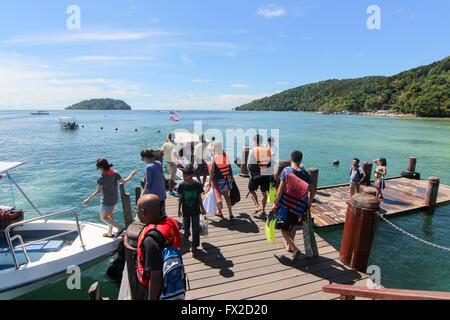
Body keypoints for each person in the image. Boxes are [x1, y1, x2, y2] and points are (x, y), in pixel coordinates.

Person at [135, 194, 182, 300]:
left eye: (136, 210)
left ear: (143, 212)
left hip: (159, 289)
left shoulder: (150, 240)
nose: (137, 213)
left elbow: (156, 277)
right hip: (174, 278)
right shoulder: (171, 223)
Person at [272, 151, 312, 261]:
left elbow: (280, 189)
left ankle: (295, 249)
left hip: (286, 205)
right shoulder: (305, 174)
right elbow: (312, 190)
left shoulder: (286, 171)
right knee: (292, 225)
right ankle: (289, 246)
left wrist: (275, 203)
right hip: (298, 207)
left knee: (282, 228)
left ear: (290, 159)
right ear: (300, 160)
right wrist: (309, 202)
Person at [82, 158, 137, 238]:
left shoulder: (101, 177)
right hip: (114, 199)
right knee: (110, 216)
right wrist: (131, 175)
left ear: (101, 167)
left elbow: (98, 191)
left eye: (98, 168)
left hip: (106, 201)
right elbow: (124, 181)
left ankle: (119, 227)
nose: (98, 170)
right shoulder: (115, 173)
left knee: (103, 217)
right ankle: (109, 232)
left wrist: (88, 200)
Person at [177, 165, 206, 257]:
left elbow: (199, 198)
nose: (184, 178)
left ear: (190, 176)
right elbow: (180, 198)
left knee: (196, 228)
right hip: (185, 210)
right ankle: (186, 233)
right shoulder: (182, 185)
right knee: (186, 224)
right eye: (183, 176)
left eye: (185, 176)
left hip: (195, 210)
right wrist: (178, 209)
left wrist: (202, 208)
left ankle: (194, 246)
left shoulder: (197, 185)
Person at [208, 140, 234, 220]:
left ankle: (220, 212)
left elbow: (212, 172)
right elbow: (229, 168)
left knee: (218, 196)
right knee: (227, 196)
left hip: (219, 181)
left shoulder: (214, 158)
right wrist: (232, 177)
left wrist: (209, 182)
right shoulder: (226, 155)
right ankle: (230, 213)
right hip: (227, 180)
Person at [247, 134, 273, 216]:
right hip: (265, 175)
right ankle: (263, 210)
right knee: (264, 193)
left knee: (251, 190)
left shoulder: (252, 151)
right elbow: (269, 164)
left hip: (255, 176)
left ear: (254, 141)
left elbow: (249, 165)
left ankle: (257, 206)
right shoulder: (267, 150)